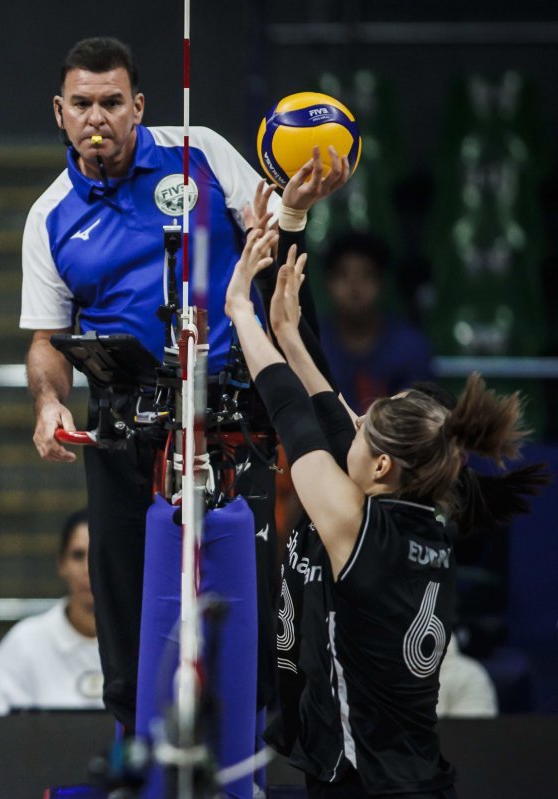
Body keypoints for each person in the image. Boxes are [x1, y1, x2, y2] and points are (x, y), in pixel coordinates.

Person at [20, 35, 346, 732]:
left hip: (227, 402)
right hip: (121, 415)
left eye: (113, 102)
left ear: (139, 106)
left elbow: (273, 231)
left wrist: (293, 212)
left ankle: (251, 748)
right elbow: (46, 339)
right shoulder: (48, 215)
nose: (97, 117)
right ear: (59, 111)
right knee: (123, 593)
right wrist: (49, 402)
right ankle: (133, 745)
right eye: (82, 103)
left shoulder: (199, 149)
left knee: (250, 591)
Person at [224, 222, 544, 797]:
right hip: (398, 772)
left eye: (363, 426)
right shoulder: (421, 520)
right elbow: (326, 413)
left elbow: (294, 418)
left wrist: (240, 312)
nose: (352, 418)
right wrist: (288, 334)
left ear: (380, 468)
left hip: (366, 782)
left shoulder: (358, 529)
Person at [0, 509, 102, 716]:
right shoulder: (24, 642)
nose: (88, 569)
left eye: (98, 555)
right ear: (61, 564)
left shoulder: (143, 642)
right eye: (78, 555)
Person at [319, 232, 434, 411]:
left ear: (381, 282)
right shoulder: (313, 344)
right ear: (328, 283)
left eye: (366, 274)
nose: (354, 286)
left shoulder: (411, 346)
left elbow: (419, 420)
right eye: (343, 275)